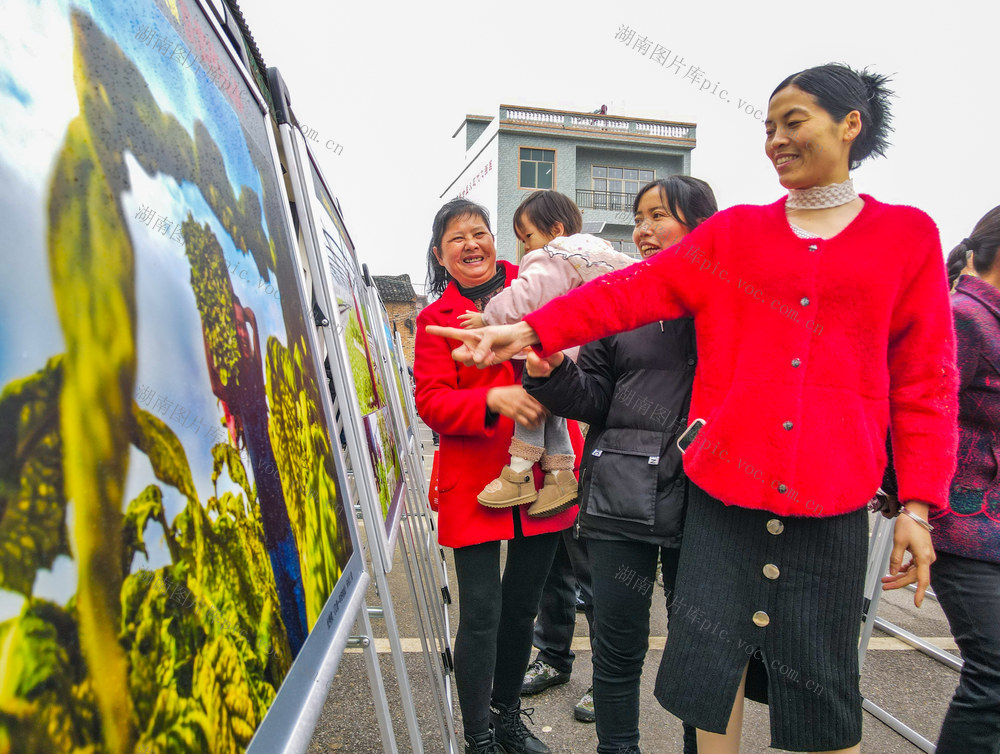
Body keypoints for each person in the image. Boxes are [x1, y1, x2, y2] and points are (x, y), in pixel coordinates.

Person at [428, 63, 959, 754]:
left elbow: (924, 381)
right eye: (768, 128)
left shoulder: (906, 236)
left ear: (849, 124)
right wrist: (529, 330)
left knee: (823, 693)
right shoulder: (735, 234)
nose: (775, 141)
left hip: (832, 505)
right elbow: (626, 292)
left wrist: (918, 505)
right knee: (712, 678)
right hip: (720, 499)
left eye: (792, 122)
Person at [522, 176, 714, 754]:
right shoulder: (620, 301)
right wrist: (553, 372)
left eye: (660, 216)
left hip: (708, 501)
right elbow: (593, 398)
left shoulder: (731, 302)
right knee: (617, 646)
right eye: (639, 218)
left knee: (699, 653)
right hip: (620, 498)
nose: (644, 230)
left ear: (703, 224)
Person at [414, 198, 581, 754]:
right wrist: (493, 398)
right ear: (440, 256)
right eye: (456, 238)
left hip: (545, 476)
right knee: (482, 612)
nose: (471, 245)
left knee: (522, 608)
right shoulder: (434, 319)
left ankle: (507, 718)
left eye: (479, 233)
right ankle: (478, 735)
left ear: (496, 240)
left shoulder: (540, 279)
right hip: (474, 480)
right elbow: (432, 402)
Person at [885, 208, 1000, 752]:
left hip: (989, 520)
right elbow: (914, 411)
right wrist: (913, 508)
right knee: (994, 672)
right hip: (960, 523)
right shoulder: (963, 317)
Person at [462, 190, 634, 517]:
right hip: (583, 354)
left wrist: (488, 316)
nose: (525, 246)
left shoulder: (553, 255)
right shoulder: (593, 255)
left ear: (555, 230)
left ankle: (518, 472)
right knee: (553, 410)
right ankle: (560, 475)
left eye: (527, 236)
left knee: (531, 402)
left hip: (552, 351)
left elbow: (525, 295)